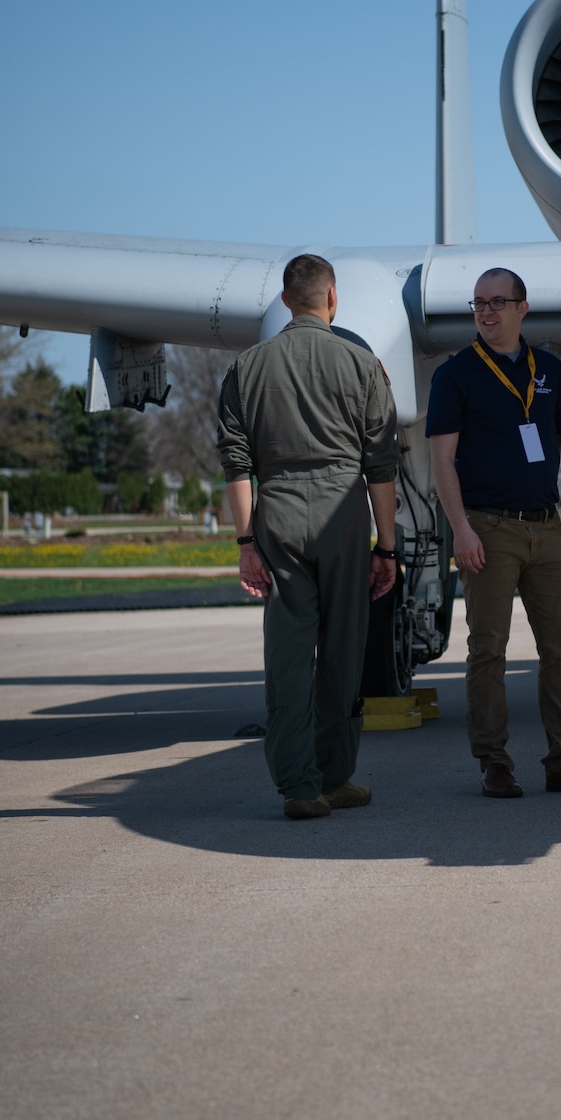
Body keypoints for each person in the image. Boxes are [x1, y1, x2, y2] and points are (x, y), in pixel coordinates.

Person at [217, 253, 400, 820]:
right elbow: (381, 465)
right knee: (343, 650)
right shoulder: (362, 363)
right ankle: (335, 772)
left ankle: (301, 783)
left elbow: (236, 462)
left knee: (289, 657)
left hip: (278, 513)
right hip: (343, 513)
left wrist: (247, 544)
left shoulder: (247, 367)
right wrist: (386, 547)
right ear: (333, 298)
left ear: (284, 300)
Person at [426, 266, 561, 799]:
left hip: (548, 529)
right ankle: (494, 763)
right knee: (488, 651)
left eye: (497, 302)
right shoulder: (457, 374)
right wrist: (460, 529)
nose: (486, 312)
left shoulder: (550, 370)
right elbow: (441, 457)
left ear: (521, 308)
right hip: (487, 529)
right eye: (478, 304)